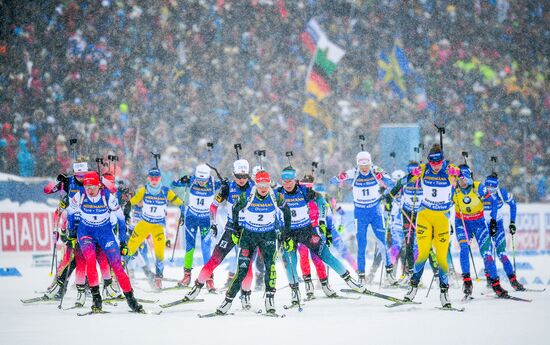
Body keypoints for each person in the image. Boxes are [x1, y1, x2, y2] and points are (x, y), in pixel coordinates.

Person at [278, 167, 365, 306]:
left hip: (306, 230)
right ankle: (295, 292)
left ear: (295, 179)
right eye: (284, 181)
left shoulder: (304, 191)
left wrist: (322, 221)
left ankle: (350, 281)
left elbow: (322, 203)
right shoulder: (278, 193)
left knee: (326, 255)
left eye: (290, 180)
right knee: (291, 262)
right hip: (288, 232)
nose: (287, 184)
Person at [215, 171, 291, 315]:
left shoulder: (276, 196)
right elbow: (235, 209)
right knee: (242, 270)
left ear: (270, 184)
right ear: (256, 184)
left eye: (266, 185)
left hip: (267, 236)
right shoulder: (247, 195)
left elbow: (287, 212)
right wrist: (237, 231)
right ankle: (227, 300)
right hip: (249, 236)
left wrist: (286, 234)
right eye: (260, 184)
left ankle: (269, 300)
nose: (263, 188)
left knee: (270, 267)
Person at [67, 171, 142, 313]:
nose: (90, 190)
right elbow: (70, 213)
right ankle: (96, 299)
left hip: (105, 233)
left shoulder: (107, 196)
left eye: (92, 187)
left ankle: (131, 301)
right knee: (90, 259)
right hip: (86, 233)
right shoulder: (80, 195)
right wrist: (71, 234)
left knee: (117, 266)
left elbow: (120, 219)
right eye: (87, 187)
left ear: (99, 185)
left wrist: (123, 242)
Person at [184, 159, 256, 305]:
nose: (241, 180)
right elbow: (213, 206)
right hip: (230, 229)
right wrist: (213, 223)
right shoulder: (227, 188)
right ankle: (197, 287)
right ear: (233, 174)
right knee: (215, 259)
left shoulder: (255, 188)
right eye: (238, 176)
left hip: (247, 232)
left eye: (244, 176)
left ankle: (246, 295)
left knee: (246, 266)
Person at [402, 144, 459, 308]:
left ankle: (444, 294)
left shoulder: (449, 169)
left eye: (439, 162)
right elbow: (406, 179)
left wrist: (459, 174)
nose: (436, 166)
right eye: (433, 163)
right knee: (423, 253)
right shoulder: (423, 168)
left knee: (442, 258)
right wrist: (412, 174)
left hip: (442, 218)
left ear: (442, 160)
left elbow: (466, 177)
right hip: (425, 216)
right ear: (429, 161)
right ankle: (412, 288)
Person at [330, 151, 395, 285]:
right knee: (362, 244)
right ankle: (361, 275)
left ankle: (389, 273)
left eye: (366, 165)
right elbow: (332, 181)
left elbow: (392, 183)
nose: (364, 168)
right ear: (357, 164)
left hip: (375, 211)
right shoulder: (353, 173)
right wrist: (340, 177)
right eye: (361, 166)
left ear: (370, 163)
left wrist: (382, 178)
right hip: (360, 213)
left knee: (382, 243)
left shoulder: (376, 170)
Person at [453, 165, 508, 298]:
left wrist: (493, 220)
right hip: (462, 222)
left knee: (487, 254)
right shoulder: (454, 189)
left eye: (463, 179)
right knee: (464, 249)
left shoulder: (478, 187)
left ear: (468, 178)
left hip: (478, 223)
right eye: (459, 179)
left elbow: (494, 200)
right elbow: (444, 202)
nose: (461, 182)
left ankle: (495, 284)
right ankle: (467, 282)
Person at [127, 167, 184, 289]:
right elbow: (131, 203)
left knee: (159, 252)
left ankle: (158, 278)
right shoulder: (143, 190)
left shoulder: (165, 191)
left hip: (158, 227)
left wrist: (183, 209)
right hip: (144, 224)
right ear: (148, 178)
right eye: (152, 178)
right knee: (130, 247)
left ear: (160, 178)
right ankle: (119, 273)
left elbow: (179, 202)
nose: (154, 180)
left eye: (156, 178)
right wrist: (125, 209)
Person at [172, 164, 220, 289]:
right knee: (190, 248)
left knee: (206, 249)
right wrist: (180, 179)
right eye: (199, 179)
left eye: (204, 180)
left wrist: (226, 183)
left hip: (206, 220)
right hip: (191, 218)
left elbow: (230, 188)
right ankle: (187, 276)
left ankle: (209, 278)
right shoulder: (192, 180)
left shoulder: (214, 183)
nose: (201, 182)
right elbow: (174, 184)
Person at [484, 173, 525, 291]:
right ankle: (490, 278)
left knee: (501, 253)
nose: (490, 192)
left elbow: (513, 204)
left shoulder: (502, 193)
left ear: (496, 187)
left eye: (493, 189)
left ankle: (513, 280)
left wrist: (512, 222)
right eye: (488, 188)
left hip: (497, 225)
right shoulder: (481, 192)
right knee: (487, 253)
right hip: (484, 226)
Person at [387, 162, 423, 284]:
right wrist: (388, 199)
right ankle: (408, 273)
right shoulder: (405, 180)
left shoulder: (424, 181)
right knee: (407, 245)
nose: (414, 175)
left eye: (415, 172)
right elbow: (392, 192)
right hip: (406, 216)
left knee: (419, 247)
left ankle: (420, 275)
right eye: (411, 172)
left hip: (421, 216)